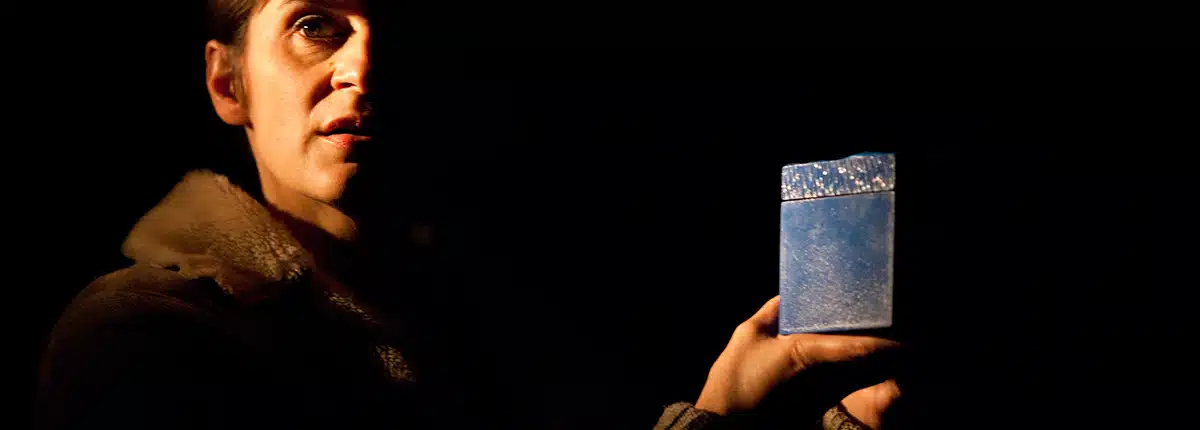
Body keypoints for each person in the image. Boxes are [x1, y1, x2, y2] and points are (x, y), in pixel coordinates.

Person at [34, 1, 903, 428]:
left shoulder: (494, 328)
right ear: (227, 83)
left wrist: (747, 417)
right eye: (315, 26)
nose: (364, 68)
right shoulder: (143, 332)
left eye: (399, 30)